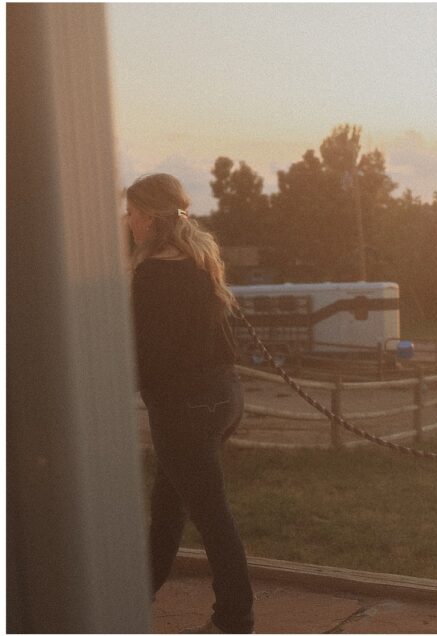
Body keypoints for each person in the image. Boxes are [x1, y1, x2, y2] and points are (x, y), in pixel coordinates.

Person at [125, 173, 254, 634]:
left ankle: (234, 620)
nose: (129, 221)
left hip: (184, 410)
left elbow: (148, 356)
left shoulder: (151, 275)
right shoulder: (200, 259)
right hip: (224, 396)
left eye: (134, 213)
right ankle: (131, 602)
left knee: (212, 520)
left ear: (149, 217)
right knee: (168, 510)